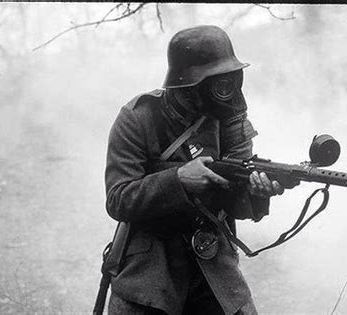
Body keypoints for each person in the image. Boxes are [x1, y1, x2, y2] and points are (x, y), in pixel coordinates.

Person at [105, 25, 285, 315]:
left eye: (227, 79)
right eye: (215, 80)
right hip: (151, 270)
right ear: (188, 82)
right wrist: (179, 180)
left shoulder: (228, 119)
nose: (223, 89)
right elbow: (118, 199)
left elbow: (235, 205)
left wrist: (256, 193)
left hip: (212, 265)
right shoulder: (139, 118)